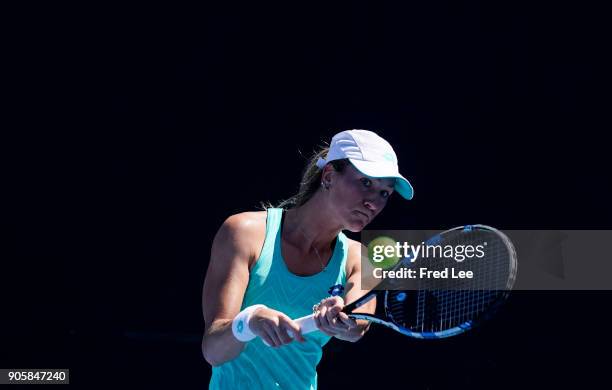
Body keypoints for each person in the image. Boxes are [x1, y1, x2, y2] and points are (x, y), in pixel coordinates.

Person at [202, 129, 414, 389]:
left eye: (384, 193)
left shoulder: (362, 260)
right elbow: (213, 350)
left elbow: (357, 325)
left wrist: (341, 318)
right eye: (366, 182)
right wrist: (249, 320)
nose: (373, 202)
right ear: (328, 176)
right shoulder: (244, 233)